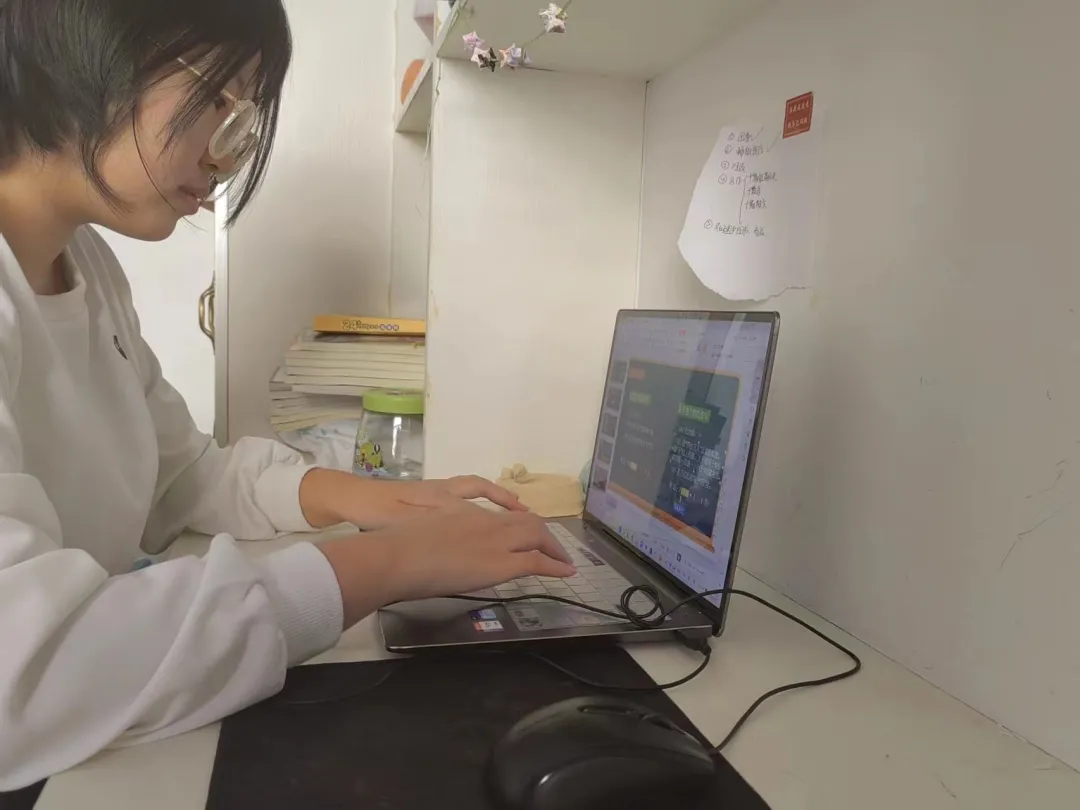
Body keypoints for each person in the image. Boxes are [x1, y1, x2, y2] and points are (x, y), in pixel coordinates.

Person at [0, 0, 576, 791]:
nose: (230, 154)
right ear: (88, 41)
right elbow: (22, 671)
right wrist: (383, 564)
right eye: (220, 100)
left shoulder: (88, 267)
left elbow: (181, 475)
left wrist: (367, 499)